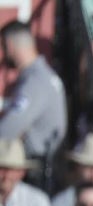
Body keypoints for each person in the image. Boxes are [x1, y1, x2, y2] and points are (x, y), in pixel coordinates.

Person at [0, 21, 67, 189]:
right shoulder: (41, 77)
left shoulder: (36, 81)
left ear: (9, 45)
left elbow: (8, 129)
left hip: (34, 171)